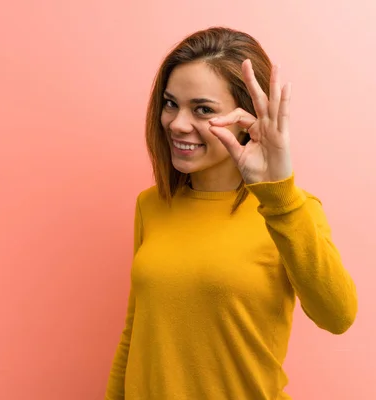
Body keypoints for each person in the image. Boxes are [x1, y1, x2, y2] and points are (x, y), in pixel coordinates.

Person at [104, 26, 358, 400]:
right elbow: (136, 333)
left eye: (203, 109)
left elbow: (337, 316)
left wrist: (279, 193)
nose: (177, 123)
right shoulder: (153, 205)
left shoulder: (289, 211)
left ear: (247, 118)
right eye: (171, 103)